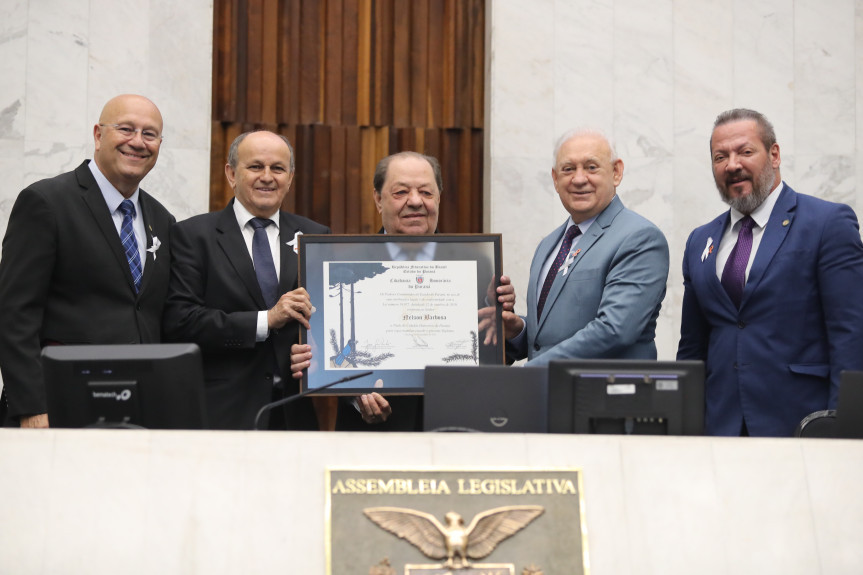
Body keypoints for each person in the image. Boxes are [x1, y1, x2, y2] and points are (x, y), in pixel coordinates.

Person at [289, 151, 512, 431]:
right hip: (373, 436)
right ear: (378, 200)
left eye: (426, 192)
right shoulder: (343, 266)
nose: (416, 201)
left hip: (455, 430)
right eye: (401, 192)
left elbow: (496, 352)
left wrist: (502, 320)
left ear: (439, 198)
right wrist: (354, 396)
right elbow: (324, 355)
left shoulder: (477, 264)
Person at [677, 108, 863, 437]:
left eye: (745, 152)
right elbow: (692, 348)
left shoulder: (827, 224)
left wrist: (841, 426)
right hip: (719, 430)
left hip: (803, 425)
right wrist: (683, 423)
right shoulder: (699, 241)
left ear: (774, 154)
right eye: (721, 157)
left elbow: (849, 333)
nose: (732, 165)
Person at [0, 94, 174, 428]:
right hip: (58, 408)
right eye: (126, 129)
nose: (138, 142)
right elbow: (15, 315)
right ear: (98, 135)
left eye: (149, 134)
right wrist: (32, 406)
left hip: (139, 412)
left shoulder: (163, 220)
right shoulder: (46, 203)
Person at [163, 130, 331, 430]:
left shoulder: (315, 236)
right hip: (222, 414)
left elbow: (327, 322)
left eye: (278, 168)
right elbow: (180, 321)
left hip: (293, 413)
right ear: (231, 173)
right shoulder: (192, 236)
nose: (267, 177)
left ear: (290, 177)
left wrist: (317, 353)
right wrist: (267, 320)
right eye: (255, 167)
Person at [501, 129, 669, 366]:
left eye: (591, 167)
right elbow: (547, 339)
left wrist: (531, 371)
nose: (579, 179)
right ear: (555, 179)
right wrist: (519, 331)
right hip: (547, 399)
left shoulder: (639, 238)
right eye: (568, 169)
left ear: (616, 172)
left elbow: (614, 330)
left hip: (605, 398)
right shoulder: (548, 245)